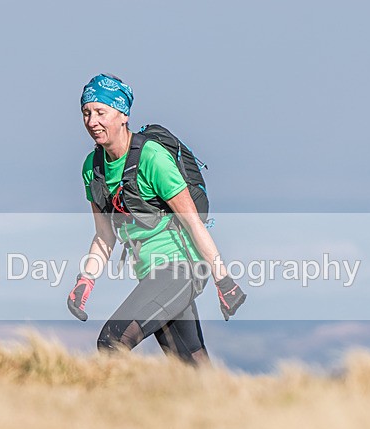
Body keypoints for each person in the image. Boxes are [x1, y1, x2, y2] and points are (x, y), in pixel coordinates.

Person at [67, 73, 246, 367]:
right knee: (190, 367)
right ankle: (232, 398)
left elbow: (192, 222)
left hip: (182, 269)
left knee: (112, 342)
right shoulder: (92, 168)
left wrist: (223, 280)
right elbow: (104, 235)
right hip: (150, 274)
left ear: (122, 115)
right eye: (86, 113)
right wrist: (85, 280)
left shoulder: (152, 158)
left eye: (101, 112)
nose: (92, 121)